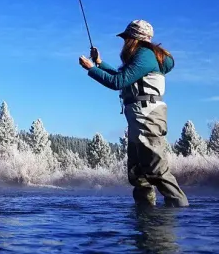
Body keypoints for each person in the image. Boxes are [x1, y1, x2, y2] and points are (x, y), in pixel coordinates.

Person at [78, 20, 189, 207]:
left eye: (126, 38)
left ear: (134, 39)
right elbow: (124, 77)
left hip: (148, 117)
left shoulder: (144, 55)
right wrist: (99, 63)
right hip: (139, 117)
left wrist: (91, 69)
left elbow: (118, 82)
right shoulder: (143, 57)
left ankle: (182, 213)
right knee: (137, 173)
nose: (124, 42)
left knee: (156, 170)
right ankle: (145, 215)